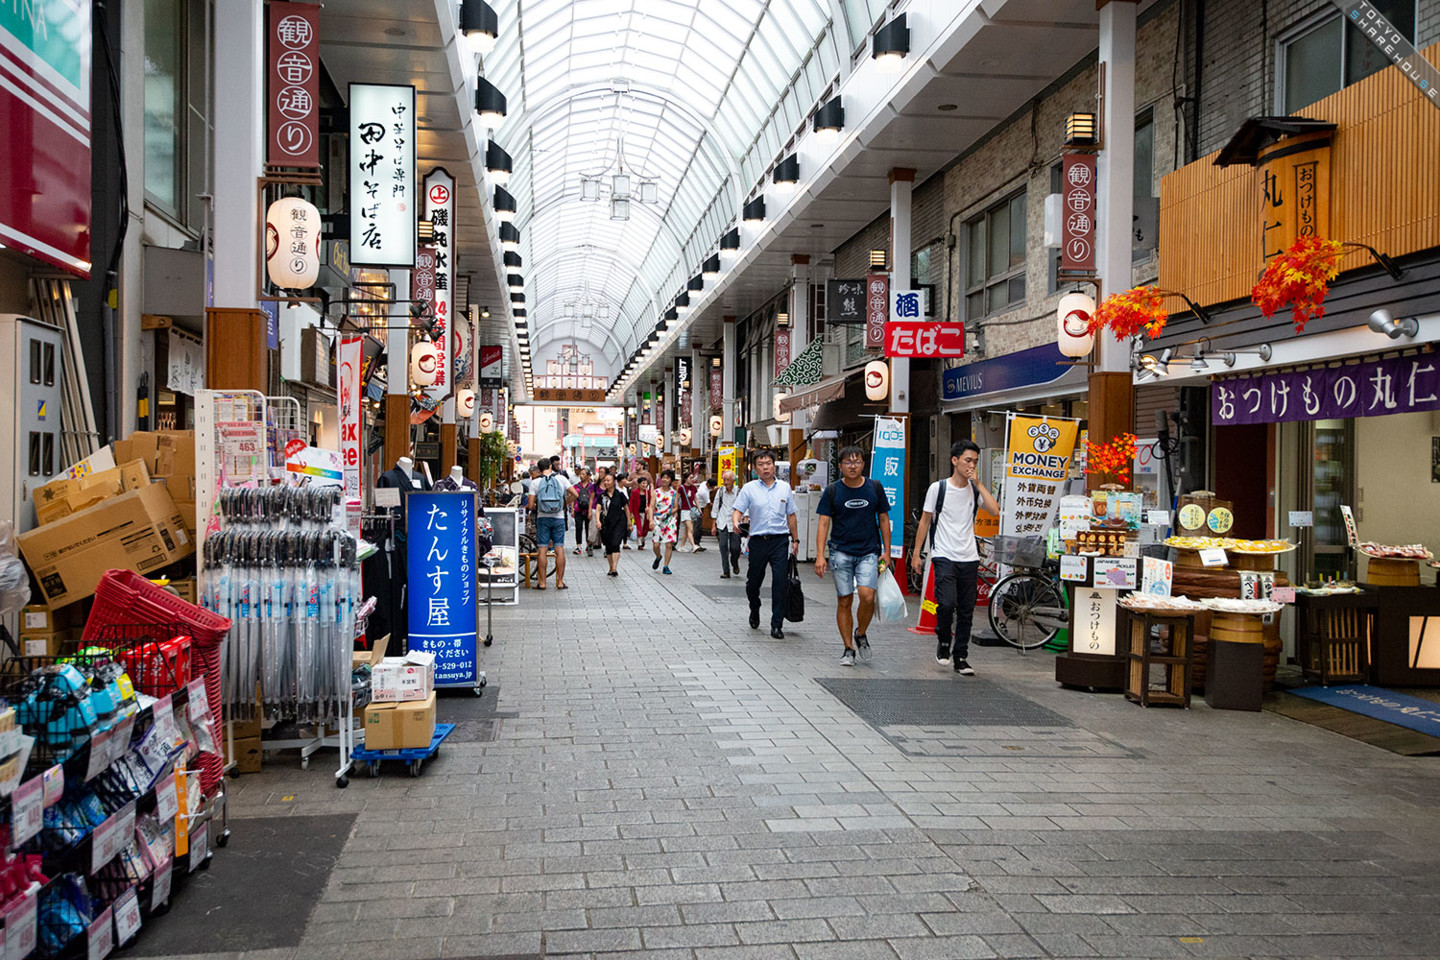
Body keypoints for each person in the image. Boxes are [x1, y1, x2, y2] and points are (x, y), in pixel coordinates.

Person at [911, 440, 1000, 676]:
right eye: (967, 460)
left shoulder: (974, 489)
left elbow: (994, 510)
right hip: (943, 554)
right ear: (955, 461)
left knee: (966, 610)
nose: (971, 465)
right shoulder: (938, 488)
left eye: (975, 461)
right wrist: (917, 554)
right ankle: (943, 641)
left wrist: (978, 483)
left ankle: (961, 656)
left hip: (969, 556)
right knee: (947, 602)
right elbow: (925, 521)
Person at [815, 446, 892, 667]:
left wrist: (887, 552)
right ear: (840, 466)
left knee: (868, 596)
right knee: (845, 600)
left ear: (863, 464)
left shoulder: (874, 488)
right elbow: (823, 523)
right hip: (840, 551)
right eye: (848, 462)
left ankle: (861, 632)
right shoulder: (833, 491)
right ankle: (848, 648)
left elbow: (884, 520)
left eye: (857, 461)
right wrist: (821, 556)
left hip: (869, 551)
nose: (853, 466)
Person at [731, 449, 797, 639]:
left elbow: (791, 515)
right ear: (754, 468)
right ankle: (755, 607)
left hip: (780, 540)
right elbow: (737, 509)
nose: (766, 467)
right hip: (758, 541)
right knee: (753, 582)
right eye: (761, 464)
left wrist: (796, 539)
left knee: (780, 582)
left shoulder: (785, 488)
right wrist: (736, 522)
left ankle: (777, 624)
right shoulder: (749, 488)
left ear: (774, 465)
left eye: (768, 463)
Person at [528, 458, 576, 590]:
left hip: (542, 518)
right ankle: (560, 582)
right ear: (550, 466)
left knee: (542, 549)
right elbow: (575, 494)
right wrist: (564, 503)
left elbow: (531, 505)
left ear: (539, 469)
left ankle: (542, 583)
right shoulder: (561, 479)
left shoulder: (535, 482)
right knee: (559, 548)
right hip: (559, 517)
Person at [594, 470, 630, 576]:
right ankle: (611, 567)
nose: (606, 482)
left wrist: (629, 522)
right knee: (608, 545)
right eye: (605, 481)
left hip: (619, 522)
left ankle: (614, 567)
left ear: (614, 482)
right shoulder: (602, 496)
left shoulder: (620, 495)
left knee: (615, 543)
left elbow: (627, 509)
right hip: (606, 523)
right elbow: (598, 509)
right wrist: (597, 521)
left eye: (608, 480)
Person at [648, 469, 681, 574]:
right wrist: (651, 520)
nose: (665, 480)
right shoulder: (656, 492)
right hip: (657, 519)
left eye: (667, 478)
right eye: (663, 477)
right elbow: (651, 507)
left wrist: (668, 513)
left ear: (671, 480)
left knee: (668, 544)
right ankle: (658, 556)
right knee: (656, 544)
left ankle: (666, 566)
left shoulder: (674, 493)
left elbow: (676, 507)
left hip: (670, 520)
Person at [711, 470, 742, 578]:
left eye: (728, 480)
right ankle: (726, 571)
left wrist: (745, 522)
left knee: (735, 548)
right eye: (724, 480)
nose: (725, 482)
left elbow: (744, 507)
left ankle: (734, 563)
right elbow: (715, 508)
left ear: (733, 480)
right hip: (722, 522)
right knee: (723, 547)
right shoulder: (720, 491)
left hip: (735, 524)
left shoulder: (739, 492)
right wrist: (713, 525)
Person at [572, 468, 593, 557]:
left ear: (588, 476)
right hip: (578, 510)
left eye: (583, 474)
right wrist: (572, 509)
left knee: (589, 529)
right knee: (578, 527)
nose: (581, 476)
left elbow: (593, 499)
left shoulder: (592, 486)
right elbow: (573, 498)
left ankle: (589, 546)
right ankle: (579, 546)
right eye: (580, 474)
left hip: (589, 511)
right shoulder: (576, 486)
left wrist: (591, 511)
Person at [628, 474, 651, 550]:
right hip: (637, 513)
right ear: (639, 484)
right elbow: (631, 502)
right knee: (639, 527)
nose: (644, 485)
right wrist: (631, 513)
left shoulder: (648, 492)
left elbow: (651, 502)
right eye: (643, 483)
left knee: (645, 528)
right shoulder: (635, 492)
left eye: (645, 483)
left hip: (646, 513)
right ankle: (639, 543)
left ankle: (642, 539)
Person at [692, 473, 710, 552]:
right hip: (699, 508)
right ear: (709, 485)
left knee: (697, 525)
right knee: (697, 526)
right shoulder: (704, 492)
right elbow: (709, 503)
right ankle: (696, 543)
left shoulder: (703, 484)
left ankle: (696, 543)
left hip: (696, 506)